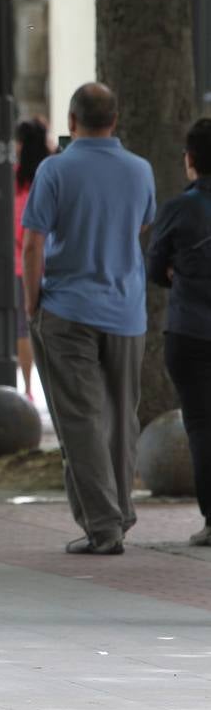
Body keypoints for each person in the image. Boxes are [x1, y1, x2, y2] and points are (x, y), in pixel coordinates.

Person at [23, 82, 155, 556]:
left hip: (67, 307)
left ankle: (103, 525)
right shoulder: (141, 171)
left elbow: (33, 242)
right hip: (126, 311)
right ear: (115, 120)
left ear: (72, 121)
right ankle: (120, 512)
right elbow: (141, 225)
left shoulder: (54, 170)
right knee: (122, 416)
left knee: (80, 419)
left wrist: (31, 300)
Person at [147, 118, 211, 545]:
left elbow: (155, 267)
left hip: (191, 330)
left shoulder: (178, 209)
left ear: (190, 160)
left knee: (202, 426)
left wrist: (178, 274)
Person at [13, 118, 51, 401]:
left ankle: (27, 388)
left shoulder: (14, 180)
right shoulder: (52, 173)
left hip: (20, 264)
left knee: (23, 329)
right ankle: (51, 388)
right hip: (56, 263)